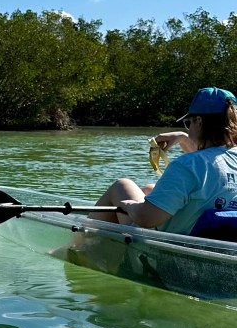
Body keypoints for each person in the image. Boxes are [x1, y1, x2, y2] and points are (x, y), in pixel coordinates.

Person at [93, 86, 237, 234]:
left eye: (189, 123)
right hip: (219, 243)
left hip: (168, 247)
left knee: (122, 185)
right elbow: (214, 165)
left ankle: (76, 248)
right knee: (149, 188)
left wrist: (130, 206)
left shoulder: (187, 165)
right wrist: (183, 138)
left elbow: (146, 219)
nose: (188, 129)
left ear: (199, 122)